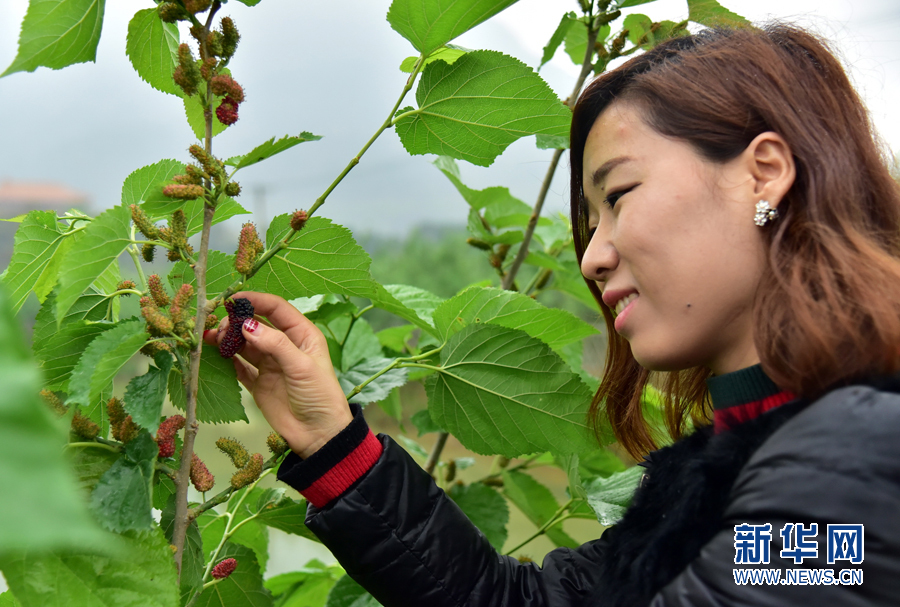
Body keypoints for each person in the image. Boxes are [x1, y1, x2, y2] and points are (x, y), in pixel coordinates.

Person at [204, 23, 900, 606]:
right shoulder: (733, 466)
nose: (592, 257)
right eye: (589, 222)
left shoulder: (847, 468)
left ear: (764, 174)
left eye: (618, 195)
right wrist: (333, 440)